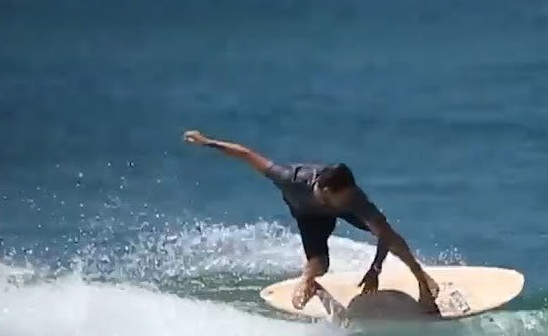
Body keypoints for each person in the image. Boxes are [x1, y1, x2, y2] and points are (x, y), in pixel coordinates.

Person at [182, 129, 438, 313]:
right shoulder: (289, 179)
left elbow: (383, 233)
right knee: (320, 264)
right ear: (325, 191)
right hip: (307, 214)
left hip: (327, 210)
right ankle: (307, 279)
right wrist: (206, 142)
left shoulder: (353, 199)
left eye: (352, 194)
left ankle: (422, 279)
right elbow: (247, 154)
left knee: (391, 236)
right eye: (345, 197)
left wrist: (375, 269)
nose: (352, 199)